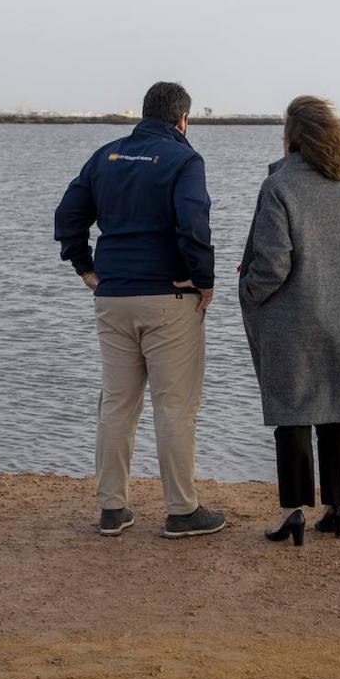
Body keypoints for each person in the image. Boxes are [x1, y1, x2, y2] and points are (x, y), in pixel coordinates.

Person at [54, 81, 226, 539]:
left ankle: (112, 508)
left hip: (113, 295)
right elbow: (194, 223)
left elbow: (68, 215)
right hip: (168, 298)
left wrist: (84, 266)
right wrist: (203, 280)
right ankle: (182, 510)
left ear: (144, 112)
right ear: (182, 119)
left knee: (117, 402)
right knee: (174, 406)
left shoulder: (106, 155)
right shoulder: (185, 159)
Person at [238, 95, 340, 546]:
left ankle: (292, 512)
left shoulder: (279, 187)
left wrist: (248, 291)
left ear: (291, 138)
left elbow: (272, 264)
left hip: (292, 320)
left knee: (293, 411)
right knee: (336, 407)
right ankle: (337, 507)